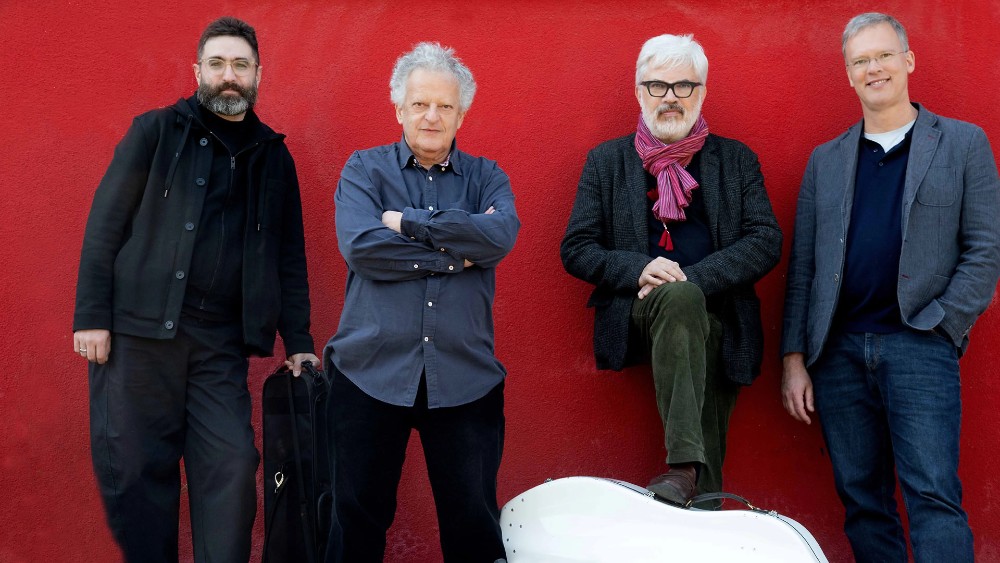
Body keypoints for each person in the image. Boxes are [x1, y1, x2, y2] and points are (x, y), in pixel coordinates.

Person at [72, 16, 318, 562]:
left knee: (233, 465)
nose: (228, 75)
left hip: (219, 346)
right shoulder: (154, 132)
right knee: (137, 472)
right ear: (197, 70)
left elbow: (289, 256)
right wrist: (91, 315)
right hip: (137, 338)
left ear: (258, 74)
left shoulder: (274, 157)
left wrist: (298, 340)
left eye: (240, 65)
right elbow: (105, 225)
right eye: (217, 63)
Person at [781, 12, 1000, 563]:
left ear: (908, 61)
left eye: (883, 55)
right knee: (863, 503)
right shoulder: (825, 161)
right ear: (848, 74)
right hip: (839, 355)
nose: (873, 68)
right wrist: (795, 360)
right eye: (861, 61)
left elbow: (984, 251)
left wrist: (942, 324)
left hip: (919, 346)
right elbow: (804, 267)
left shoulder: (963, 144)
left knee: (934, 498)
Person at [560, 34, 781, 506]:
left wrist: (693, 279)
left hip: (721, 315)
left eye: (684, 86)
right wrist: (641, 269)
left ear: (702, 93)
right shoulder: (606, 162)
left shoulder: (736, 160)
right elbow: (577, 248)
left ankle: (694, 486)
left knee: (695, 318)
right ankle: (683, 464)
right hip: (640, 311)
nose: (670, 98)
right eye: (657, 86)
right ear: (638, 92)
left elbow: (765, 240)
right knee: (679, 299)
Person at [324, 42, 519, 563]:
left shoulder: (487, 177)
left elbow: (500, 236)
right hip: (369, 372)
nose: (432, 116)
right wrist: (458, 255)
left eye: (445, 106)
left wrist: (408, 222)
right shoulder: (364, 171)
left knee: (474, 529)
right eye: (420, 104)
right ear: (399, 109)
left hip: (465, 377)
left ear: (461, 114)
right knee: (354, 527)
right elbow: (362, 248)